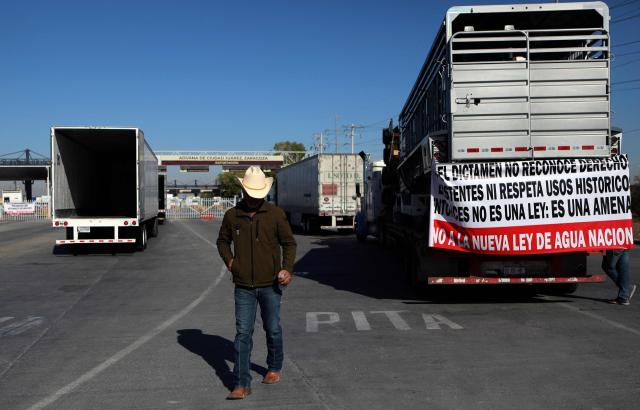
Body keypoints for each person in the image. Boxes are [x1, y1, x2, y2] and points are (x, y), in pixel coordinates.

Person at [216, 166, 297, 400]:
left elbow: (289, 243)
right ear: (244, 191)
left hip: (271, 284)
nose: (254, 198)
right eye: (251, 193)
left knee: (272, 328)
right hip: (243, 286)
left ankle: (273, 366)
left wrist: (286, 268)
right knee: (243, 333)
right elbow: (222, 241)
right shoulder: (232, 215)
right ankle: (241, 383)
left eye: (258, 193)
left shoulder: (275, 214)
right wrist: (230, 262)